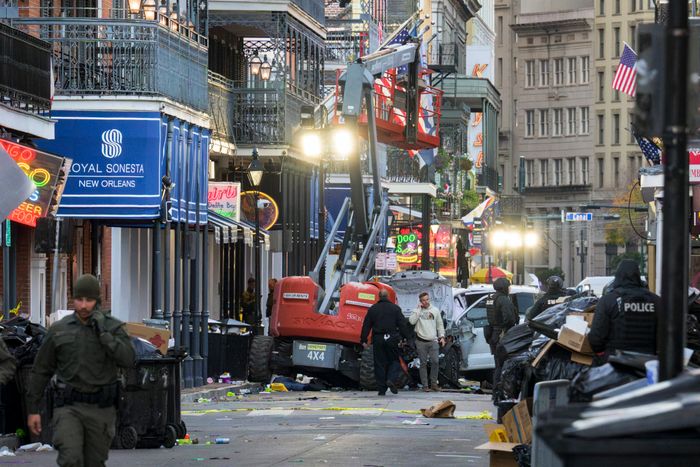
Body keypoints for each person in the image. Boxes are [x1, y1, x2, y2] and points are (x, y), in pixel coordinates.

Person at [26, 274, 135, 467]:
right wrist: (33, 409)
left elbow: (128, 359)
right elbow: (41, 370)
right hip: (69, 407)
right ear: (73, 299)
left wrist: (105, 336)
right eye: (79, 299)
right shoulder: (60, 329)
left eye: (89, 300)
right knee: (70, 458)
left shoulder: (112, 327)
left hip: (101, 408)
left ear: (97, 300)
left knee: (94, 462)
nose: (84, 305)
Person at [589, 260, 660, 356]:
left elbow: (596, 339)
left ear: (618, 276)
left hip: (615, 363)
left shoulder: (608, 301)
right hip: (648, 362)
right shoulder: (656, 301)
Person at [360, 289, 411, 396]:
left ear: (379, 297)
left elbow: (366, 325)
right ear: (387, 296)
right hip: (392, 338)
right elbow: (402, 325)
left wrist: (363, 340)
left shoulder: (373, 309)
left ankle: (382, 389)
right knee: (394, 361)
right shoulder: (395, 309)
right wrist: (406, 338)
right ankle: (391, 379)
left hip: (378, 339)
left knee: (379, 363)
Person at [408, 292, 445, 392]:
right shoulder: (416, 311)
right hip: (421, 341)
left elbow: (440, 325)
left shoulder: (435, 310)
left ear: (429, 299)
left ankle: (433, 383)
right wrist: (419, 309)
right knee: (423, 363)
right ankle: (425, 385)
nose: (426, 302)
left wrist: (442, 336)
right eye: (423, 300)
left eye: (427, 299)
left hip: (433, 340)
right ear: (420, 301)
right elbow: (411, 321)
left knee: (435, 361)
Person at [485, 277, 518, 387]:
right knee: (504, 365)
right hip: (503, 335)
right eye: (508, 287)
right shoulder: (503, 299)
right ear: (504, 287)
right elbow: (509, 318)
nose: (509, 289)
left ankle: (496, 389)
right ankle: (500, 390)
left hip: (494, 335)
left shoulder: (491, 298)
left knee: (498, 364)